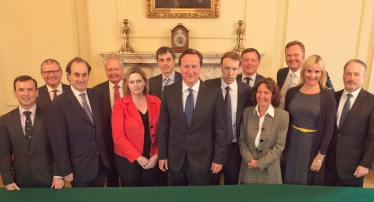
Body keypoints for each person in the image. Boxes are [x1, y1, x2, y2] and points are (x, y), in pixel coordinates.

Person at [158, 48, 227, 186]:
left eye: (194, 66)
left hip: (204, 160)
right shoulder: (169, 92)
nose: (190, 71)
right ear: (180, 67)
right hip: (176, 160)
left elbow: (221, 129)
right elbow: (163, 126)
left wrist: (218, 158)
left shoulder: (214, 93)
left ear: (200, 67)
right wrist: (163, 155)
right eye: (186, 66)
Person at [47, 57, 110, 187]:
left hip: (100, 165)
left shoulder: (97, 96)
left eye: (84, 75)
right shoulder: (59, 103)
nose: (81, 79)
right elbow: (58, 141)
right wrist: (64, 169)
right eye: (77, 75)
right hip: (78, 169)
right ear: (68, 76)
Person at [0, 76, 64, 191]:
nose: (26, 93)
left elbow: (59, 148)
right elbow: (4, 154)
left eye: (30, 89)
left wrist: (58, 174)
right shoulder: (5, 120)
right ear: (15, 93)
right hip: (20, 181)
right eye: (21, 90)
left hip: (49, 179)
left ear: (36, 92)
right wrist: (8, 180)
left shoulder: (50, 116)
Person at [282, 55, 336, 185]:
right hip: (292, 143)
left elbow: (329, 129)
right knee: (288, 179)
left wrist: (320, 156)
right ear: (303, 71)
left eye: (317, 71)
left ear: (322, 73)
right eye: (309, 71)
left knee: (308, 184)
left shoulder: (327, 95)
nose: (312, 75)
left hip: (313, 145)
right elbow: (286, 122)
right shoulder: (292, 92)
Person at [325, 59, 374, 187]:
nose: (351, 78)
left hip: (354, 166)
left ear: (363, 77)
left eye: (356, 74)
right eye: (348, 73)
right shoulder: (332, 97)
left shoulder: (371, 102)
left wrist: (365, 164)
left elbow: (373, 137)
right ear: (343, 76)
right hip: (328, 164)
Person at [205, 51, 252, 185]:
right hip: (212, 145)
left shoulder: (247, 90)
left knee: (231, 183)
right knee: (211, 183)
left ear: (239, 69)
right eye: (227, 68)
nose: (230, 73)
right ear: (221, 67)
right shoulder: (208, 86)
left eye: (234, 69)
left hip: (234, 145)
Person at [111, 67, 160, 187]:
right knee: (131, 195)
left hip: (151, 157)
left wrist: (157, 155)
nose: (136, 85)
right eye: (132, 82)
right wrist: (138, 157)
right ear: (127, 85)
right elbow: (118, 136)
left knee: (149, 194)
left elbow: (164, 130)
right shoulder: (120, 104)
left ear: (144, 82)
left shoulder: (156, 101)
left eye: (139, 81)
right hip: (128, 159)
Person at [239, 78, 289, 184]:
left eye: (266, 92)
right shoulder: (247, 112)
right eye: (259, 92)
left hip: (270, 172)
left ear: (273, 95)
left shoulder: (282, 116)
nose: (262, 96)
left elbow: (279, 146)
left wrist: (260, 163)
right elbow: (242, 141)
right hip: (248, 169)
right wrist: (250, 160)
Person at [148, 46, 182, 186]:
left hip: (179, 133)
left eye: (168, 59)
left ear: (174, 61)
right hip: (157, 132)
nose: (165, 63)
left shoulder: (184, 79)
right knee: (160, 173)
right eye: (161, 60)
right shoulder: (150, 83)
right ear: (157, 62)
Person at [93, 53, 124, 187]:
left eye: (116, 69)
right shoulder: (96, 91)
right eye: (109, 69)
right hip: (107, 143)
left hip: (130, 143)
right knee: (111, 179)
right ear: (105, 71)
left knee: (131, 179)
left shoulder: (133, 87)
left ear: (122, 70)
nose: (113, 72)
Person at [277, 40, 334, 108]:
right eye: (288, 55)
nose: (292, 58)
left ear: (304, 56)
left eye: (296, 55)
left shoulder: (315, 76)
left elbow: (331, 99)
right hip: (280, 116)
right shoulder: (281, 73)